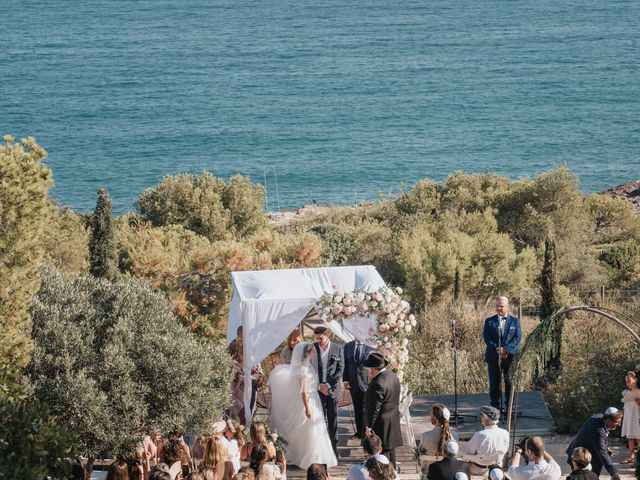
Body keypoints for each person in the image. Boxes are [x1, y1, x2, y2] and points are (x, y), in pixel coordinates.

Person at [269, 342, 338, 470]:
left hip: (312, 398)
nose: (314, 354)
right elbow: (303, 391)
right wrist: (307, 408)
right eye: (312, 352)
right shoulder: (303, 370)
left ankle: (310, 454)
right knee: (311, 429)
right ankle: (311, 456)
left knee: (311, 429)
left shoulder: (303, 367)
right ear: (307, 353)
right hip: (309, 401)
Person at [482, 296, 522, 411]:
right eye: (497, 306)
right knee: (494, 383)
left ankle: (509, 408)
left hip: (510, 357)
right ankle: (495, 408)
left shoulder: (515, 321)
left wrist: (506, 350)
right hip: (493, 357)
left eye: (501, 306)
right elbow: (487, 338)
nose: (499, 308)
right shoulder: (489, 321)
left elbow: (517, 337)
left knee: (509, 383)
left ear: (507, 307)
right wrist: (498, 349)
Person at [363, 352, 402, 467]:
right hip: (392, 420)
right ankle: (393, 474)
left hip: (381, 424)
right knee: (391, 451)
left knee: (382, 454)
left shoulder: (377, 383)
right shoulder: (393, 377)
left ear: (373, 370)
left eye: (369, 369)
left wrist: (369, 426)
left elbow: (374, 408)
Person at [312, 325, 344, 456]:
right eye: (317, 338)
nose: (319, 340)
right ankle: (320, 448)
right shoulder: (312, 348)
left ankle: (333, 449)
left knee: (333, 421)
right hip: (317, 390)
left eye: (321, 337)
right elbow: (309, 369)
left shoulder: (337, 348)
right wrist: (320, 386)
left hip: (333, 391)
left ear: (327, 335)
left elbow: (340, 370)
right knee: (319, 421)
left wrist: (328, 385)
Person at [565, 407, 623, 479]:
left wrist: (604, 447)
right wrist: (613, 472)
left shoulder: (599, 418)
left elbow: (595, 440)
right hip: (580, 459)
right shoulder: (598, 430)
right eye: (616, 422)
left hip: (583, 455)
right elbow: (602, 452)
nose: (619, 424)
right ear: (607, 420)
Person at [461, 406, 509, 476]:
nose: (481, 418)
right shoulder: (505, 433)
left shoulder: (480, 435)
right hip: (497, 468)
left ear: (486, 420)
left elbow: (466, 453)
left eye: (482, 415)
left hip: (478, 469)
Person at [343, 338, 374, 440]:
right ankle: (359, 432)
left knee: (368, 409)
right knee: (357, 408)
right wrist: (345, 380)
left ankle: (369, 432)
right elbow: (345, 364)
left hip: (367, 384)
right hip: (353, 383)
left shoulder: (370, 346)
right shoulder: (348, 346)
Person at [419, 404, 459, 471]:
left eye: (431, 415)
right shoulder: (454, 436)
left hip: (429, 473)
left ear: (435, 418)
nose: (430, 417)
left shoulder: (425, 436)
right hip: (448, 473)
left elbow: (419, 456)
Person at [621, 371, 640, 464]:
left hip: (637, 418)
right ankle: (631, 458)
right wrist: (621, 415)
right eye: (626, 382)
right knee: (630, 438)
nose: (628, 383)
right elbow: (625, 406)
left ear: (635, 380)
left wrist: (639, 403)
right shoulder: (626, 393)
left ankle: (638, 460)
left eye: (629, 381)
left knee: (638, 438)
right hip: (629, 418)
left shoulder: (639, 392)